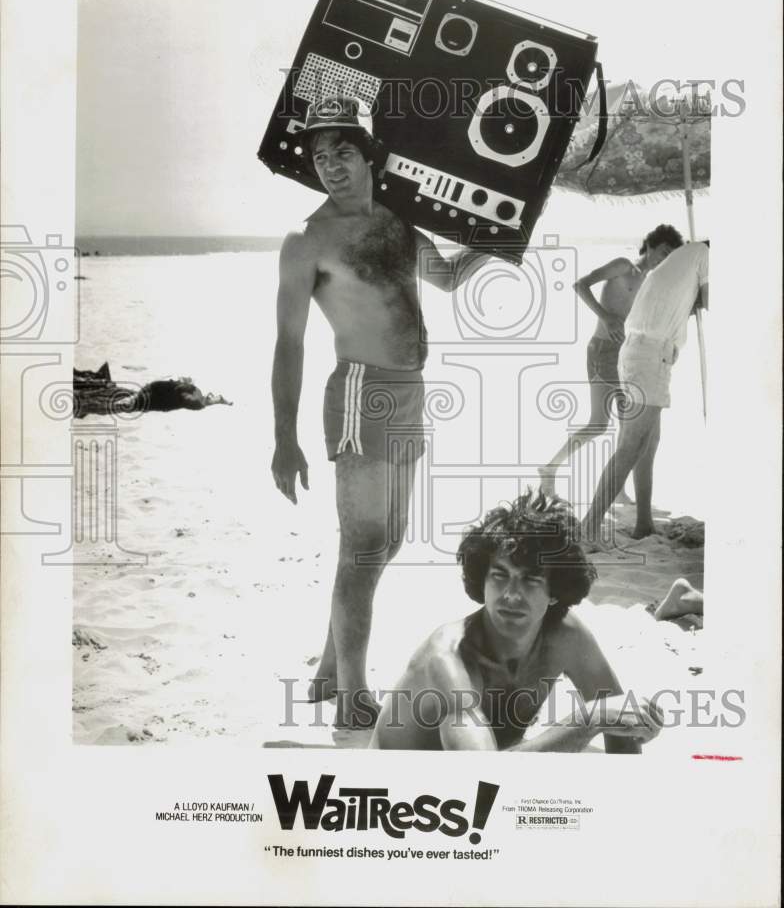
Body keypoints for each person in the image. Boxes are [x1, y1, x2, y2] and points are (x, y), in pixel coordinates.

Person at [271, 96, 494, 729]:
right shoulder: (308, 239)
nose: (330, 167)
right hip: (361, 394)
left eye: (343, 152)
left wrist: (496, 238)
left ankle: (326, 669)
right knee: (363, 544)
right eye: (319, 157)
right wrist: (284, 438)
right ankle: (350, 695)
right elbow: (290, 343)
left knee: (386, 540)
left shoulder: (397, 224)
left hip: (409, 393)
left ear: (369, 155)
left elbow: (446, 278)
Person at [370, 491, 663, 752]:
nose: (511, 595)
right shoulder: (447, 660)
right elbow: (483, 777)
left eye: (531, 580)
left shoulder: (565, 635)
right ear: (482, 580)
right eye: (499, 576)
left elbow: (622, 735)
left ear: (554, 592)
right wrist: (589, 719)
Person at [539, 225, 684, 501]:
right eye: (663, 252)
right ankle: (549, 469)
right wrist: (605, 316)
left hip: (626, 355)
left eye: (670, 257)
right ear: (651, 246)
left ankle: (617, 489)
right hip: (602, 349)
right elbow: (580, 285)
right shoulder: (623, 266)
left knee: (627, 424)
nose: (663, 260)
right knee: (598, 423)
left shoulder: (652, 281)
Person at [581, 241, 709, 545]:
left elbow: (678, 305)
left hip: (643, 352)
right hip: (650, 355)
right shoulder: (703, 255)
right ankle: (588, 526)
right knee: (632, 445)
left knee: (648, 443)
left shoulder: (681, 260)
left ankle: (643, 522)